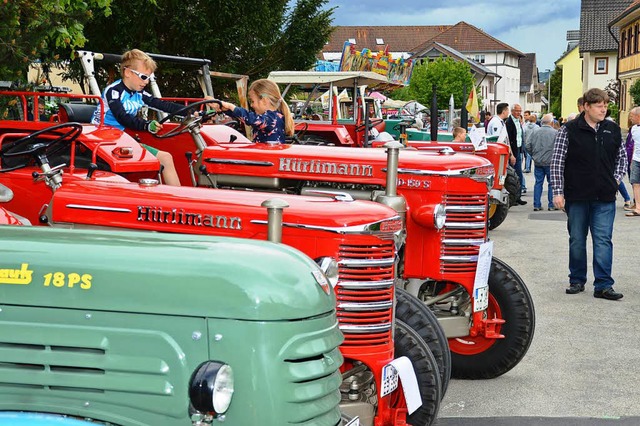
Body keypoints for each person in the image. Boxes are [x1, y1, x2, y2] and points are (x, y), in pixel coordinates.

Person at [550, 88, 627, 300]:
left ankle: (603, 285)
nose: (604, 109)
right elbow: (557, 162)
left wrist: (616, 179)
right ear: (586, 107)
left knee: (603, 239)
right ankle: (577, 280)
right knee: (577, 239)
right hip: (577, 195)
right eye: (599, 106)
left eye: (605, 105)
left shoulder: (612, 129)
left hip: (605, 196)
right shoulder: (568, 130)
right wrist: (558, 192)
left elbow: (622, 159)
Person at [91, 49, 184, 186]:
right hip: (103, 141)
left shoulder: (139, 93)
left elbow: (162, 105)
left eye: (149, 78)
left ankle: (178, 200)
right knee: (163, 158)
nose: (146, 82)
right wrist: (147, 125)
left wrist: (192, 111)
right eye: (144, 77)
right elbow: (123, 117)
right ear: (128, 72)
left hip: (120, 139)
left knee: (166, 158)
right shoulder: (114, 91)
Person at [216, 79, 294, 143]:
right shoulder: (274, 116)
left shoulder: (272, 118)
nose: (251, 105)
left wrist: (231, 106)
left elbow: (251, 119)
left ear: (264, 100)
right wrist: (225, 110)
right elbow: (246, 118)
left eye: (252, 101)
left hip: (267, 158)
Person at [524, 114, 557, 211]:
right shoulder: (555, 133)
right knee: (552, 183)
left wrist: (533, 155)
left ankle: (537, 204)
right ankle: (551, 205)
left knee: (538, 183)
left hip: (538, 162)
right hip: (550, 162)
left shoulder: (535, 132)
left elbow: (527, 145)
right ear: (551, 122)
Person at [506, 103, 528, 196]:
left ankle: (518, 195)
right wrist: (512, 154)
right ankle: (515, 196)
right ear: (512, 111)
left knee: (518, 173)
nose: (519, 113)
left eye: (520, 111)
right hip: (513, 151)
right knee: (515, 173)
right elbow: (509, 138)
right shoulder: (509, 122)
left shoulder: (518, 121)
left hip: (519, 149)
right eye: (517, 111)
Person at [626, 106, 640, 217]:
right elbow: (634, 144)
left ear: (638, 116)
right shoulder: (634, 128)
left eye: (632, 116)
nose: (630, 118)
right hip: (636, 159)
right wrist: (631, 160)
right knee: (635, 183)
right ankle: (638, 207)